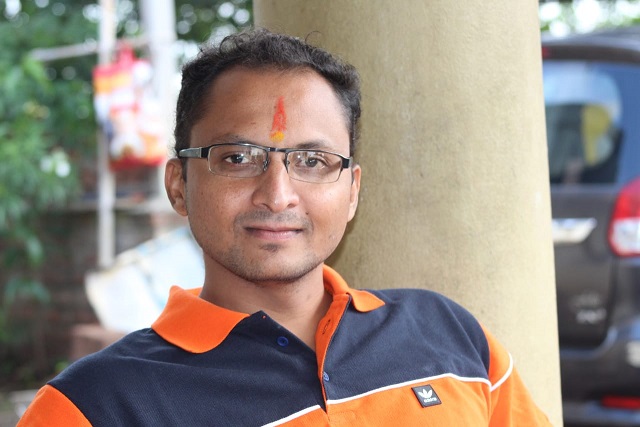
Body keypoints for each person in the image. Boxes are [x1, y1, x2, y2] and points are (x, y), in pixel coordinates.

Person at [19, 28, 552, 426]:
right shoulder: (96, 407)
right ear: (179, 185)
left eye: (313, 161)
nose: (277, 196)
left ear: (352, 191)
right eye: (237, 158)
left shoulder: (450, 335)